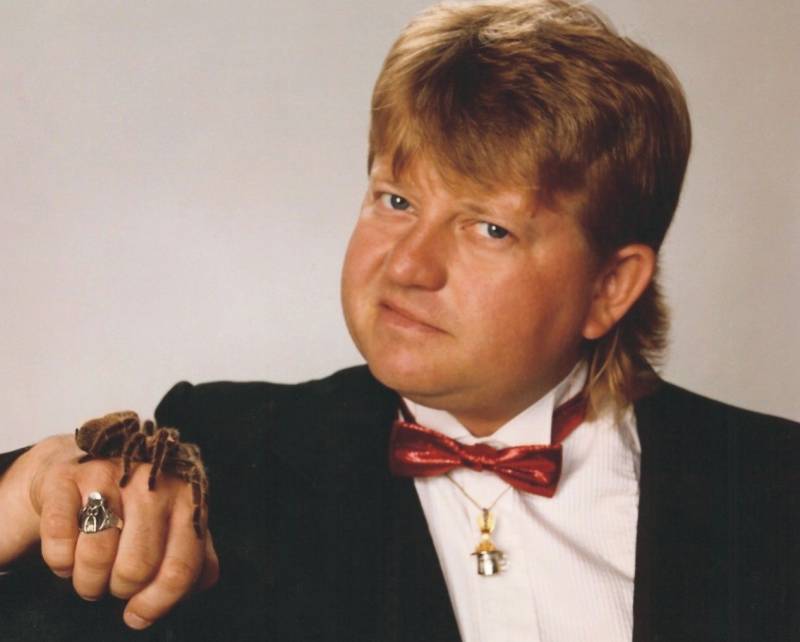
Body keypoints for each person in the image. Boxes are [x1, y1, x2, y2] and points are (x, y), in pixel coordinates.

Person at [0, 1, 797, 640]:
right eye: (396, 200)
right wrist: (30, 500)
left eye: (490, 228)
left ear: (610, 288)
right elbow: (59, 572)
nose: (408, 266)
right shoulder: (215, 454)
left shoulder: (775, 489)